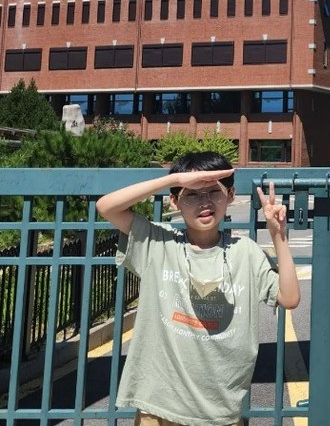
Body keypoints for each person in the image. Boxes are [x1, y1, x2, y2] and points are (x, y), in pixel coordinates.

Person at [96, 151, 300, 426]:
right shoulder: (158, 243)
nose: (204, 202)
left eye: (213, 192)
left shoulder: (246, 253)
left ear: (230, 196)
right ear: (174, 200)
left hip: (221, 411)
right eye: (192, 194)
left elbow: (289, 297)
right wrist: (177, 179)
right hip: (158, 408)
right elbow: (107, 207)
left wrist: (278, 236)